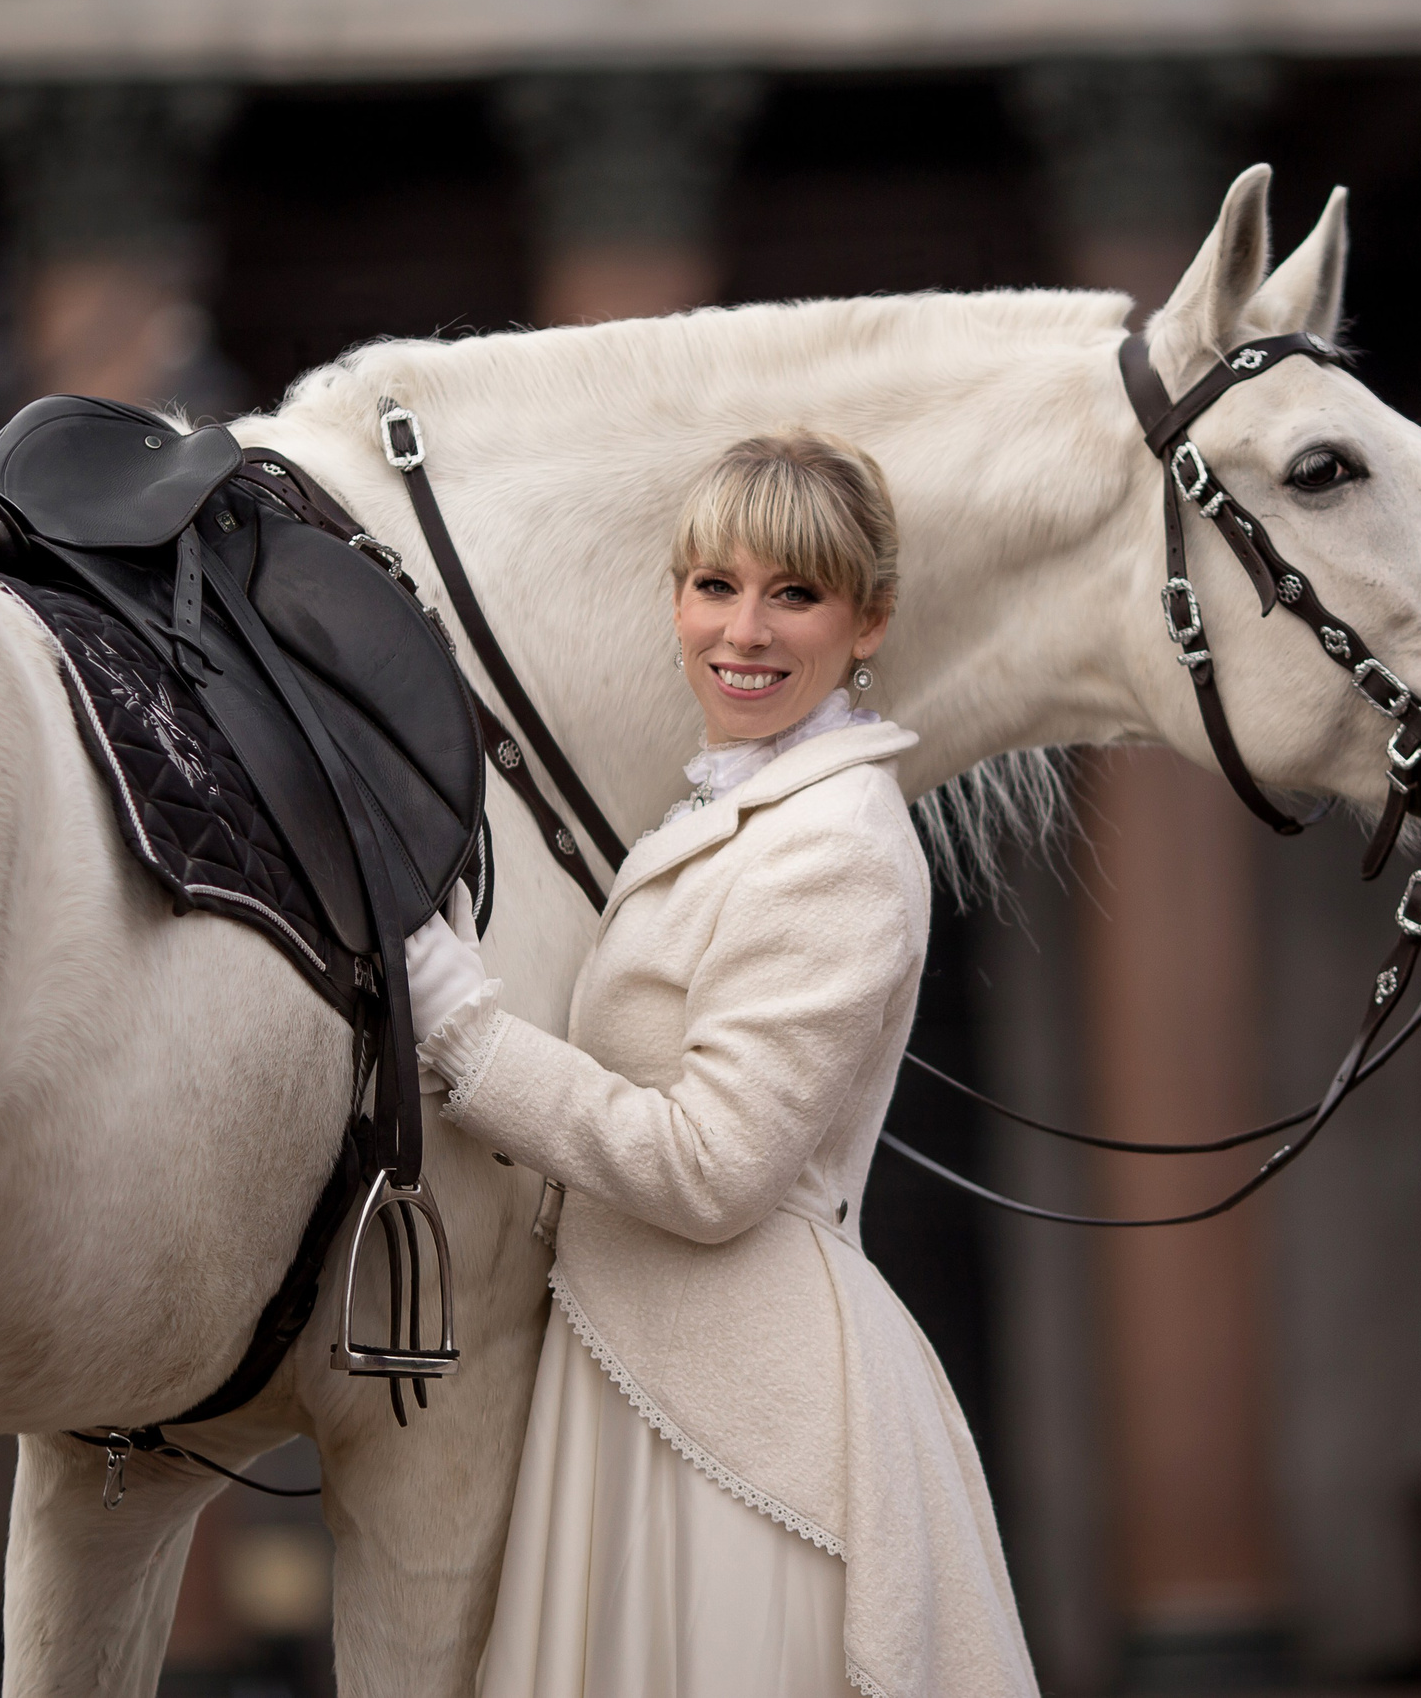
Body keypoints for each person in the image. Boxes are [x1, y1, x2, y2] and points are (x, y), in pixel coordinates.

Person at [403, 431, 1039, 1698]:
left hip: (748, 1433)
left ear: (868, 621)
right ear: (677, 599)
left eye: (794, 593)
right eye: (715, 585)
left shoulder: (834, 843)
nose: (744, 631)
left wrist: (465, 1032)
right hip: (641, 1375)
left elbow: (710, 1170)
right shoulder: (739, 804)